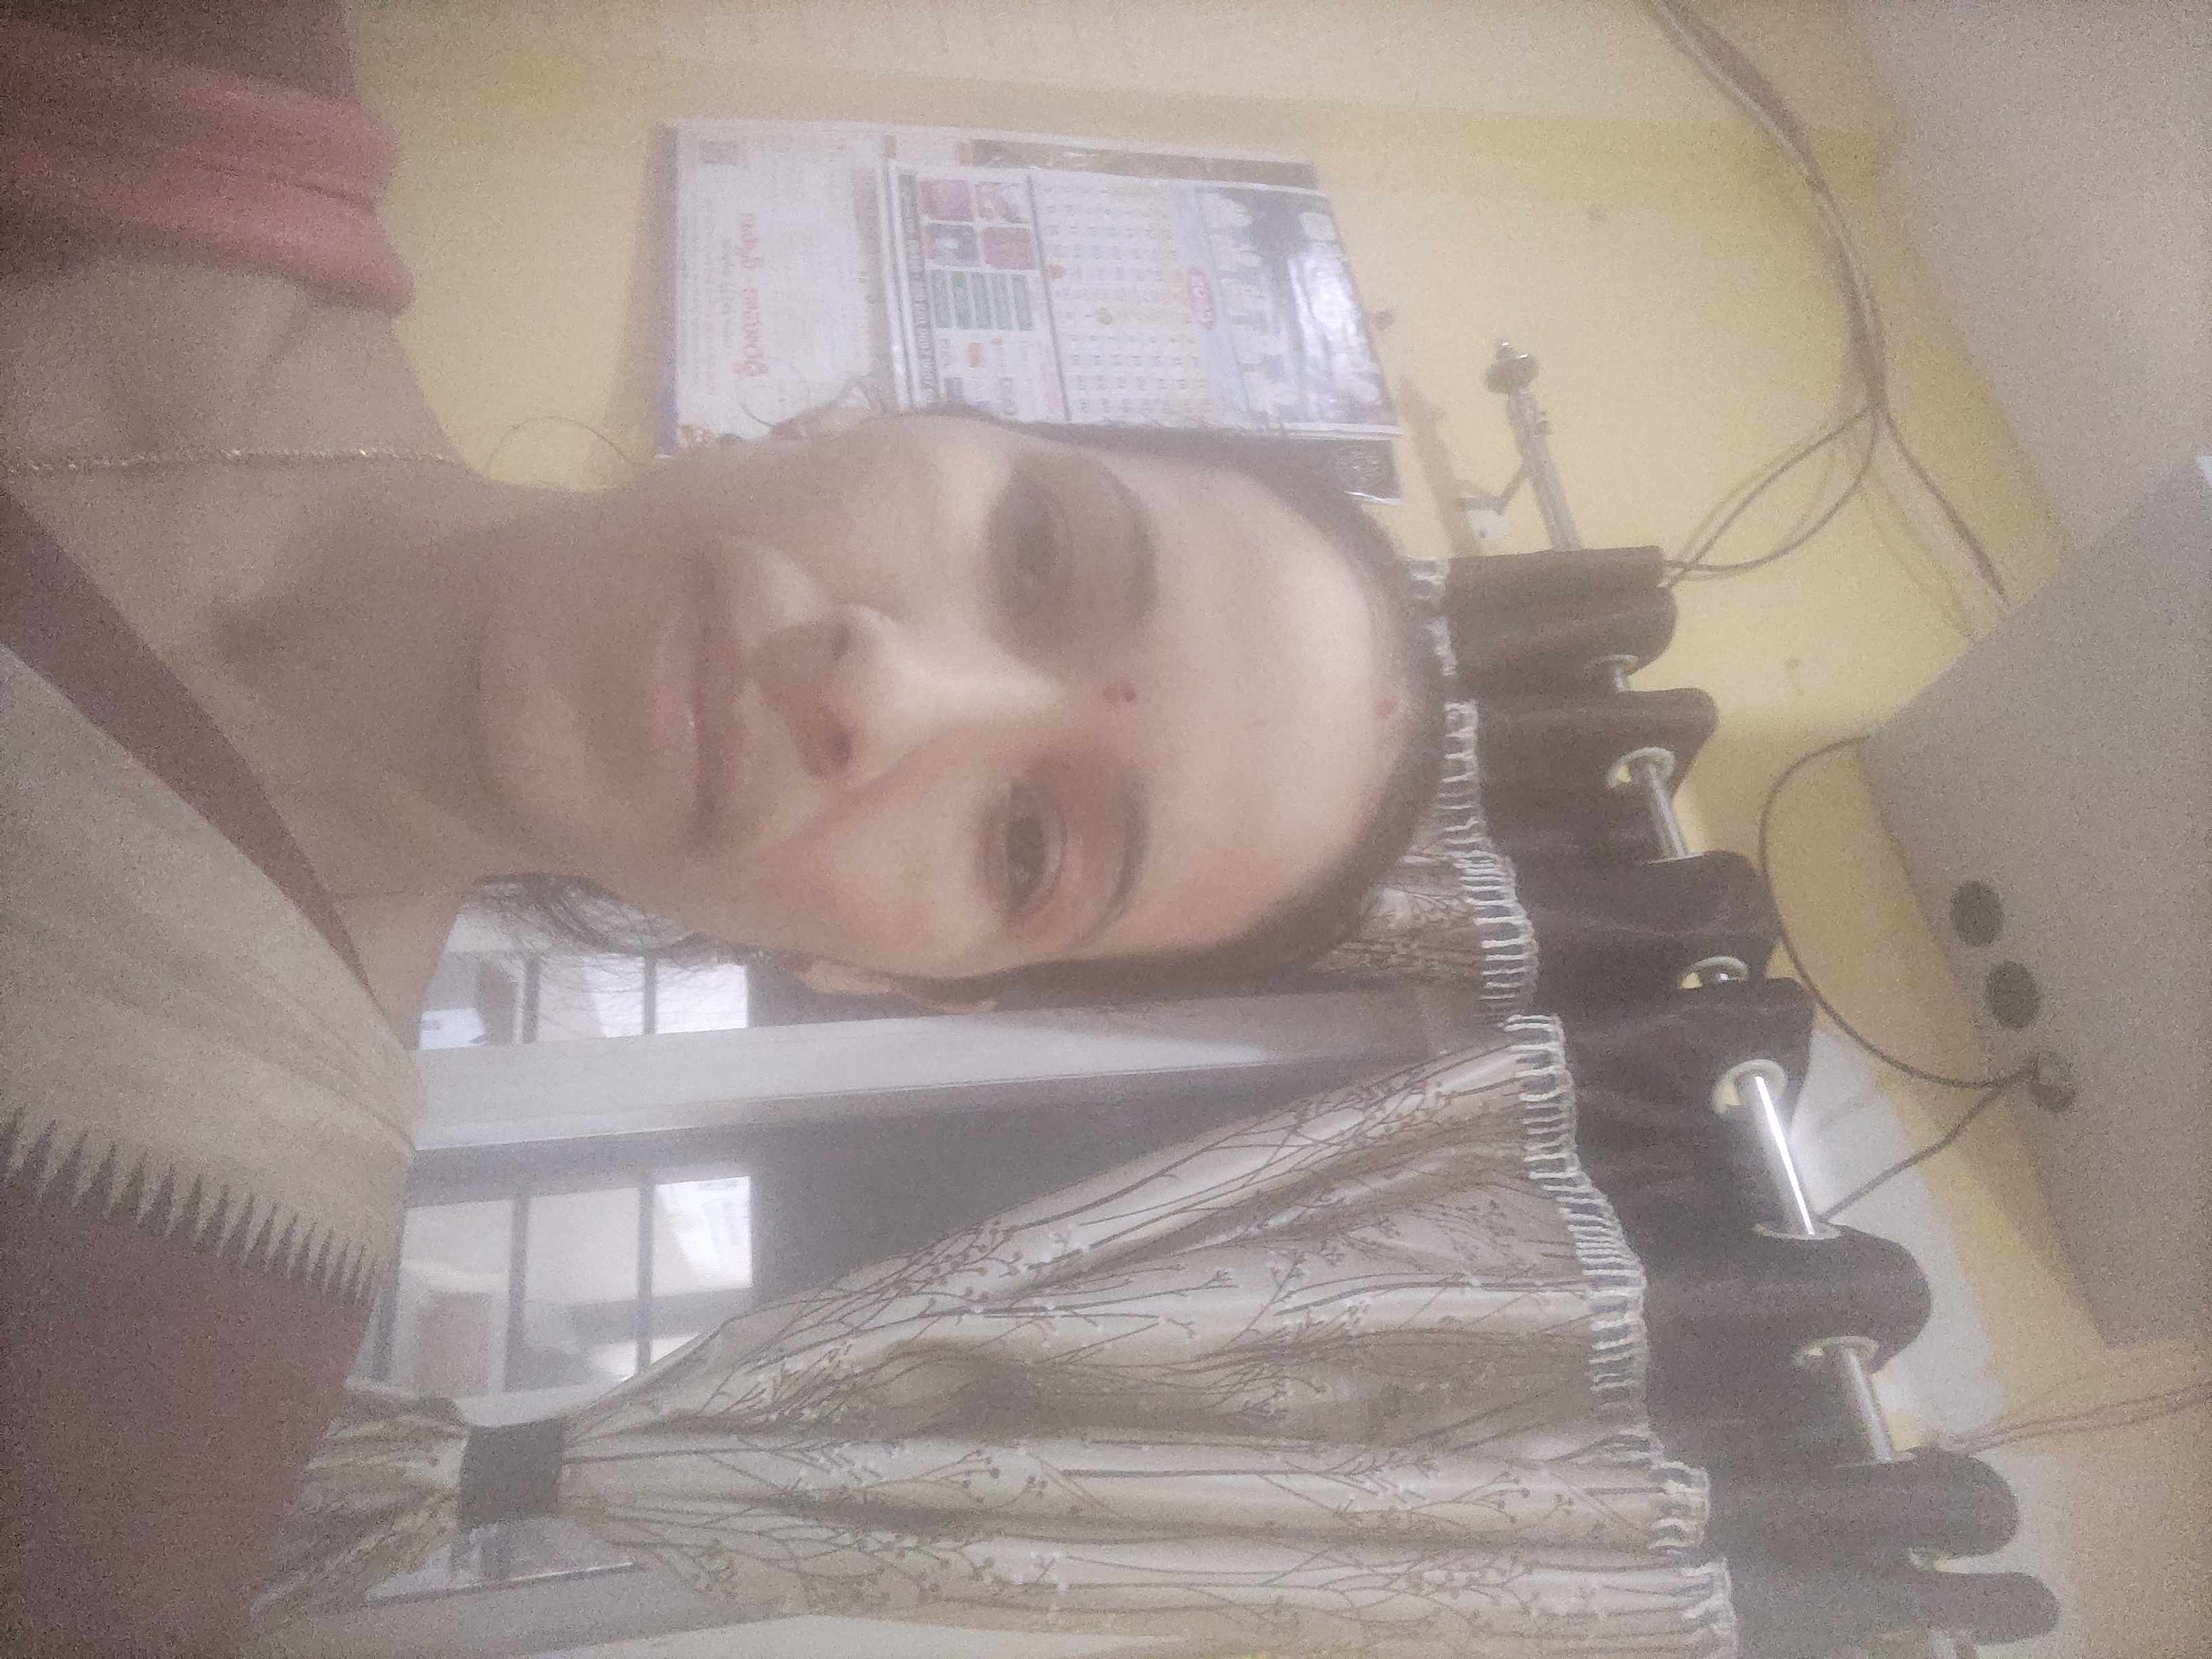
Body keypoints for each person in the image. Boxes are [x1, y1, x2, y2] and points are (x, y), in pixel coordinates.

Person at [0, 3, 1443, 1653]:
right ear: (869, 413)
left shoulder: (144, 1371)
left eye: (1026, 847)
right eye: (1037, 548)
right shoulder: (185, 80)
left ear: (881, 978)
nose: (887, 697)